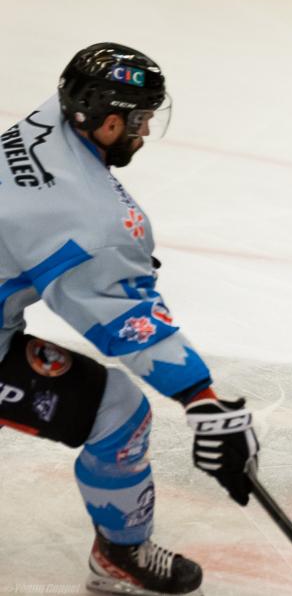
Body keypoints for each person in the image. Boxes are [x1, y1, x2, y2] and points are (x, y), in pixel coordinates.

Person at [0, 43, 260, 594]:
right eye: (139, 121)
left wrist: (115, 261)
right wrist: (201, 399)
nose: (143, 133)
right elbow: (122, 317)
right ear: (109, 121)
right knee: (118, 411)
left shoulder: (45, 123)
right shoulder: (91, 218)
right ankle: (120, 555)